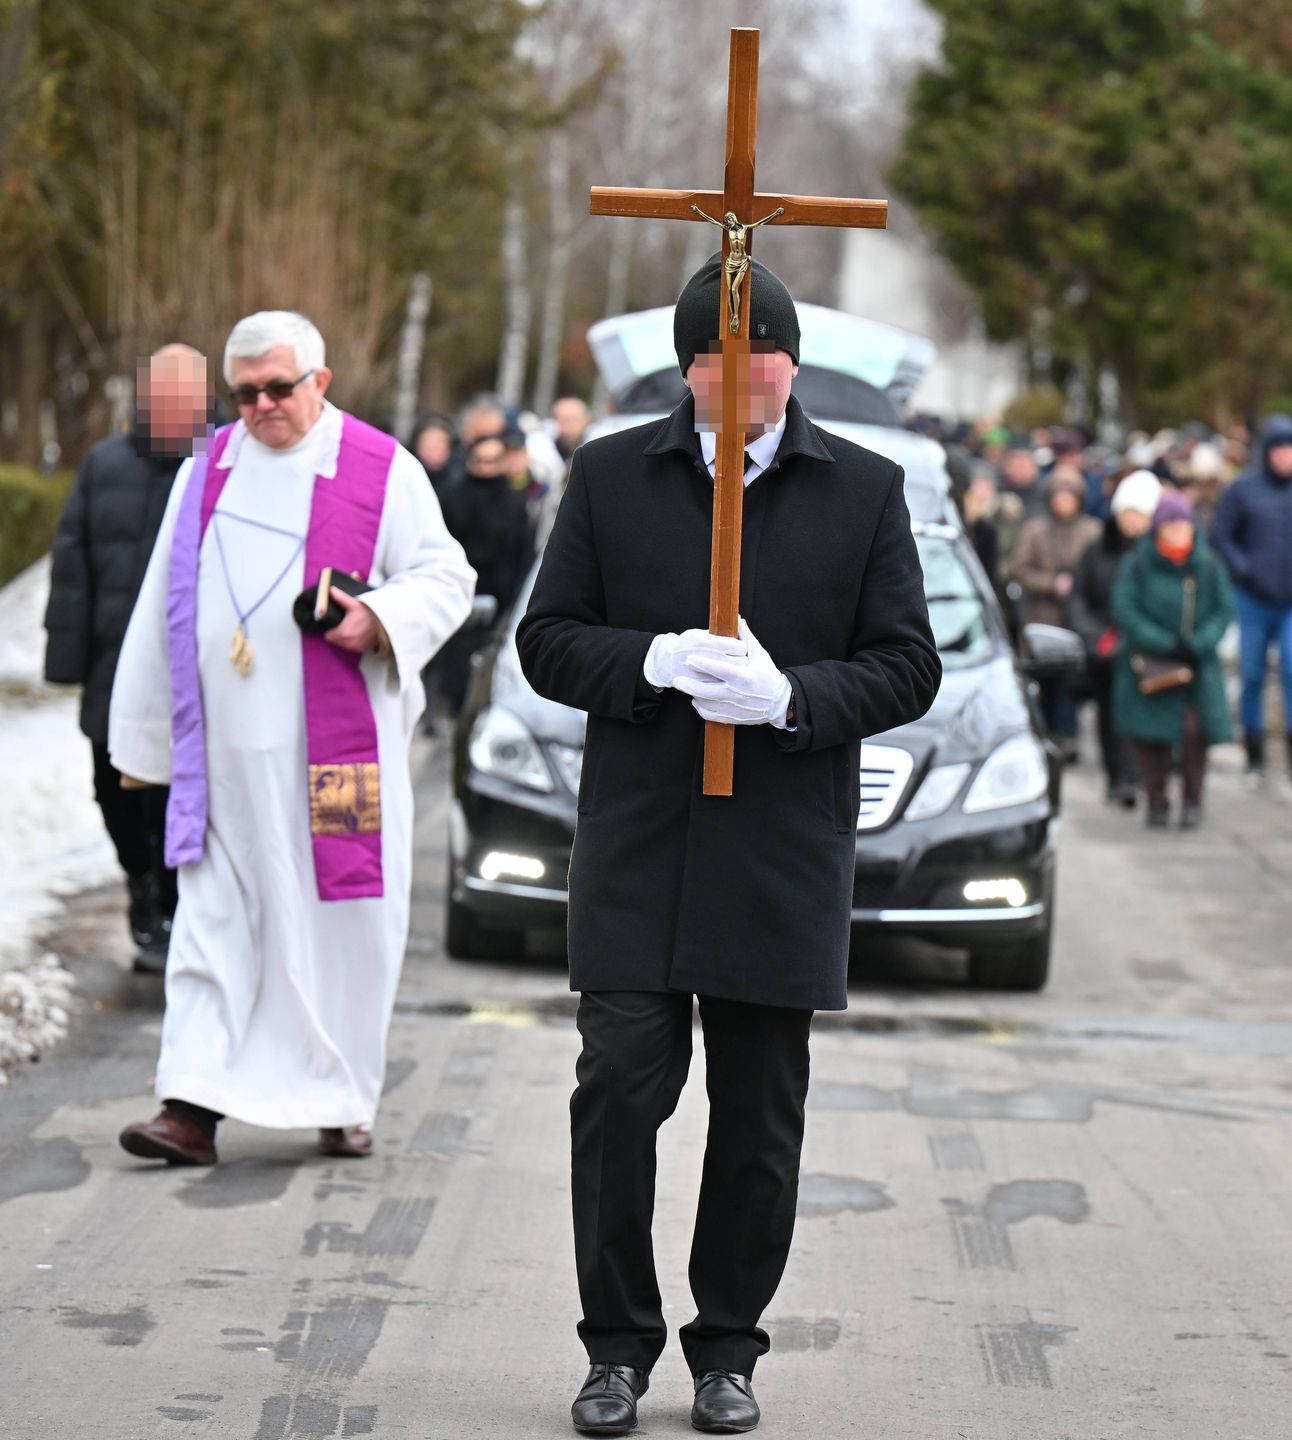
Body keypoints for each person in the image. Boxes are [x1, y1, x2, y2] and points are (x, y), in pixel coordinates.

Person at [517, 255, 941, 1436]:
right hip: (641, 843)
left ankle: (725, 1350)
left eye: (761, 360)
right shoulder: (610, 475)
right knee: (615, 1091)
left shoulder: (863, 488)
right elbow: (545, 642)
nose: (739, 380)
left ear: (792, 367)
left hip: (777, 848)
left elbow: (908, 663)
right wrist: (648, 662)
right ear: (686, 367)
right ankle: (614, 1349)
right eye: (715, 360)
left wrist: (790, 697)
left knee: (758, 1114)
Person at [109, 310, 475, 1166]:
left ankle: (342, 1098)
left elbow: (447, 578)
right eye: (244, 393)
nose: (262, 406)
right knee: (211, 923)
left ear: (322, 381)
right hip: (226, 763)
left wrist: (376, 617)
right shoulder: (206, 471)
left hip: (336, 765)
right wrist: (144, 734)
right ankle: (190, 1108)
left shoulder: (382, 468)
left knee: (342, 928)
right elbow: (166, 596)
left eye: (279, 387)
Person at [44, 344, 210, 974]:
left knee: (174, 795)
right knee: (111, 790)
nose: (170, 409)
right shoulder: (105, 464)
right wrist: (68, 659)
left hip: (189, 670)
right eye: (159, 397)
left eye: (183, 398)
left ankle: (170, 905)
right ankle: (139, 880)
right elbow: (73, 565)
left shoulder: (222, 462)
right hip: (112, 667)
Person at [1112, 492, 1233, 828]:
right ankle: (1157, 801)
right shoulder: (1138, 563)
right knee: (1150, 738)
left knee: (1196, 734)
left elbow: (1222, 609)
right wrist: (1163, 642)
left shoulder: (1208, 565)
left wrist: (1197, 643)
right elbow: (1125, 608)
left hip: (1198, 665)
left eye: (1184, 524)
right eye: (1172, 525)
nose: (1179, 531)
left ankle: (1193, 802)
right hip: (1151, 665)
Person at [1068, 470, 1162, 807]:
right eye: (1127, 513)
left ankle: (1140, 776)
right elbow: (1079, 597)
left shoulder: (1157, 555)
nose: (1132, 521)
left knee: (1144, 715)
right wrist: (1093, 637)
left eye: (1140, 514)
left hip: (1145, 647)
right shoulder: (1097, 550)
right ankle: (1117, 778)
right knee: (1109, 715)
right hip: (1105, 649)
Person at [1211, 413, 1292, 779]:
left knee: (1291, 670)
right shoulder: (1244, 490)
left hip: (1289, 601)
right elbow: (1221, 536)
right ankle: (1254, 749)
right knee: (1253, 672)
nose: (1285, 457)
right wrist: (1243, 568)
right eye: (1279, 450)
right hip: (1253, 598)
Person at [1009, 467, 1101, 756]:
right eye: (1059, 496)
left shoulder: (1091, 531)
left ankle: (1069, 736)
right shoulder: (1036, 530)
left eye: (1069, 496)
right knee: (1044, 680)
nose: (1064, 502)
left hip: (1077, 618)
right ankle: (1045, 734)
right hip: (1042, 616)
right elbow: (1018, 569)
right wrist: (1050, 583)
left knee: (1071, 682)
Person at [408, 413, 457, 498]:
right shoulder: (405, 479)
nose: (435, 446)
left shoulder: (458, 485)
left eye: (441, 441)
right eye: (429, 441)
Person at [550, 395, 590, 463]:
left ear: (586, 420)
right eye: (560, 421)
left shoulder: (591, 450)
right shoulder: (549, 448)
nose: (565, 427)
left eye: (571, 420)